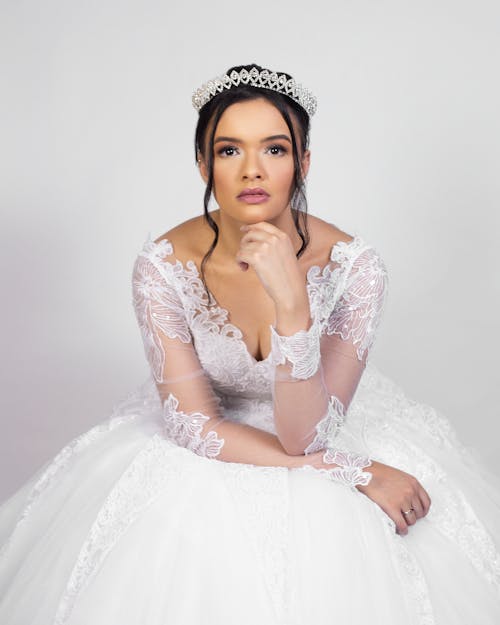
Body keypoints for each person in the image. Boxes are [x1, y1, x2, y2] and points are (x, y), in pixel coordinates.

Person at [0, 63, 499, 625]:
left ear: (304, 162)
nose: (253, 171)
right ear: (203, 164)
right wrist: (355, 472)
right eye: (230, 151)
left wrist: (293, 307)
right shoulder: (162, 267)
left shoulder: (357, 269)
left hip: (316, 418)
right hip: (209, 439)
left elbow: (303, 435)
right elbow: (193, 426)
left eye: (276, 150)